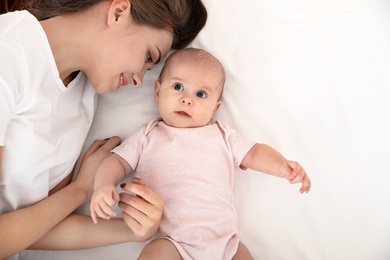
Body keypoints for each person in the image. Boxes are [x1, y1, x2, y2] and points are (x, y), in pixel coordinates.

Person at [0, 0, 207, 259]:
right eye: (148, 57)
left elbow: (41, 225)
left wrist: (136, 229)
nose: (138, 80)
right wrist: (79, 191)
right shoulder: (8, 52)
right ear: (119, 12)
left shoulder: (84, 96)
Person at [90, 48, 312, 259]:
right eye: (178, 87)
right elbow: (117, 162)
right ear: (157, 92)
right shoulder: (148, 135)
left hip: (224, 243)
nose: (187, 99)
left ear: (215, 108)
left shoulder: (222, 135)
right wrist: (103, 185)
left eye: (201, 94)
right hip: (170, 242)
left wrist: (282, 165)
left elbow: (254, 153)